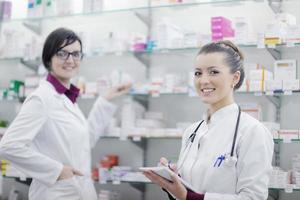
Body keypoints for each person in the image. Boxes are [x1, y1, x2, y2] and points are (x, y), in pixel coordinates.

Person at [0, 27, 130, 200]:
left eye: (76, 54)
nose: (70, 60)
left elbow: (84, 141)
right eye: (62, 53)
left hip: (79, 191)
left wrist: (105, 101)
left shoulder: (66, 98)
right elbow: (9, 146)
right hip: (55, 193)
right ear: (49, 58)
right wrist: (57, 171)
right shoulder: (41, 99)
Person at [143, 40, 274, 200]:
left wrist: (188, 197)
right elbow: (187, 192)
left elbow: (253, 198)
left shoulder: (252, 131)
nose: (203, 80)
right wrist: (172, 180)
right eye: (198, 73)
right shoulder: (192, 131)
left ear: (235, 78)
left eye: (213, 72)